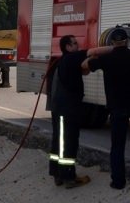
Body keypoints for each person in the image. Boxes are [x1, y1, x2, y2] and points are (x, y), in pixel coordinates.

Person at [82, 28, 130, 190]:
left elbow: (84, 66)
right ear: (127, 41)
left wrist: (98, 53)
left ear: (112, 42)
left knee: (117, 147)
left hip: (117, 108)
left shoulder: (107, 59)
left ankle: (118, 182)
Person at [47, 35, 91, 188]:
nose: (78, 45)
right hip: (67, 110)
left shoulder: (62, 62)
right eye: (75, 43)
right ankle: (69, 178)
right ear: (68, 47)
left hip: (58, 109)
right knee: (69, 142)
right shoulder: (71, 58)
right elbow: (92, 52)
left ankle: (57, 174)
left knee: (58, 141)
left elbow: (83, 71)